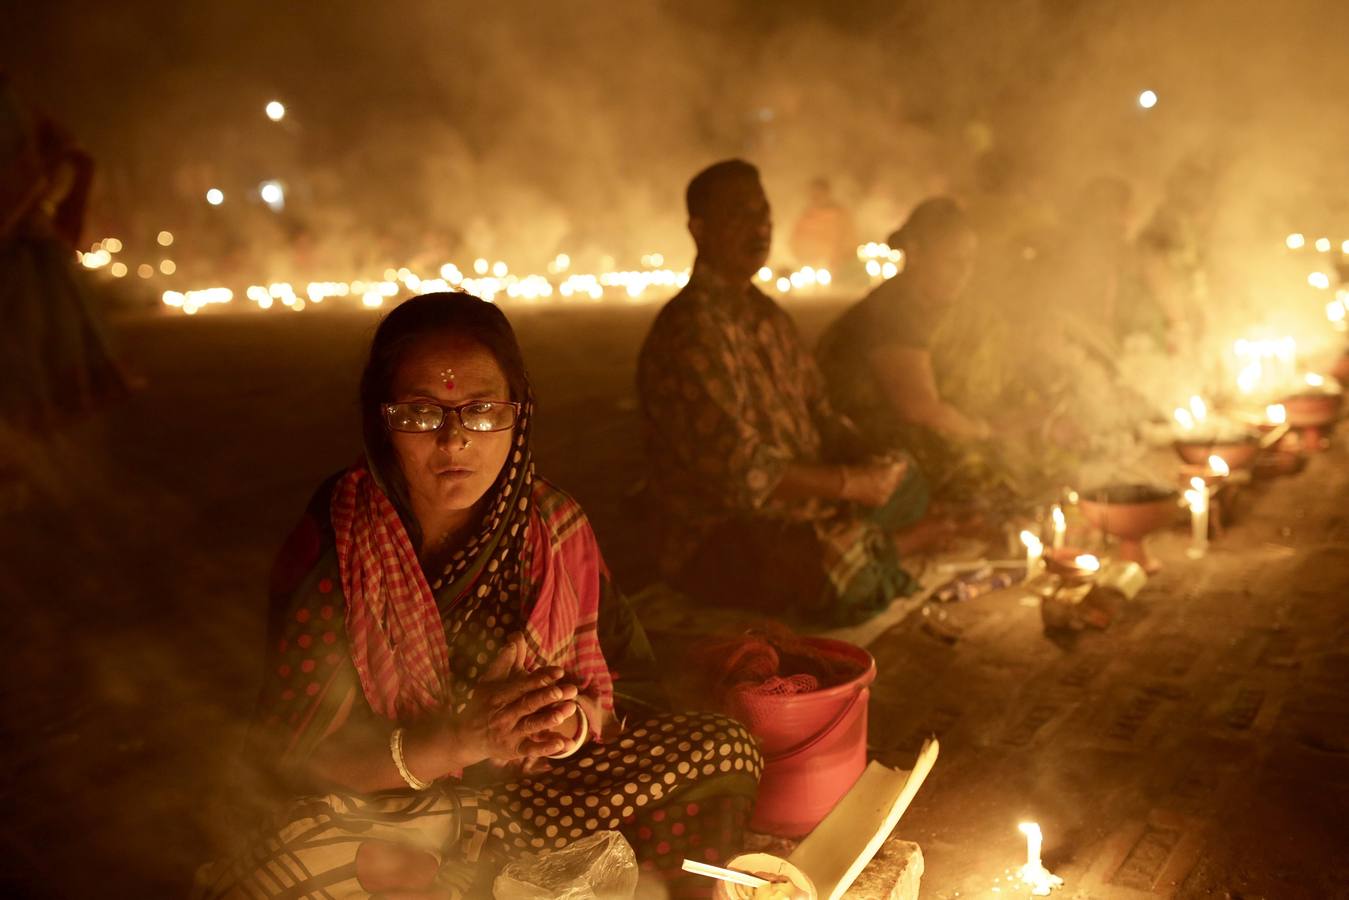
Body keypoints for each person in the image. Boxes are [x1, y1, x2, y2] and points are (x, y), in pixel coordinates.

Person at [196, 293, 761, 899]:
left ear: (519, 414)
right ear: (379, 421)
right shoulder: (337, 545)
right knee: (282, 870)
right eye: (419, 413)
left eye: (482, 410)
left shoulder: (553, 526)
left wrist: (563, 723)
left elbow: (624, 688)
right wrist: (462, 739)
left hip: (532, 799)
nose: (455, 439)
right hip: (391, 818)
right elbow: (295, 761)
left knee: (721, 749)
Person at [636, 159, 928, 627]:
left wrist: (868, 458)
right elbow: (741, 472)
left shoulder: (768, 315)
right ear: (699, 228)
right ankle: (882, 545)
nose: (759, 226)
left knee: (909, 478)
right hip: (720, 531)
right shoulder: (690, 330)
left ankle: (870, 542)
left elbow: (819, 410)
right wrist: (851, 484)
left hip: (806, 500)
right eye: (739, 213)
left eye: (763, 212)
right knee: (835, 571)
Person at [0, 75, 129, 433]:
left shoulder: (7, 103)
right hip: (21, 250)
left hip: (21, 261)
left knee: (26, 382)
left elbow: (52, 161)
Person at [789, 176, 858, 275]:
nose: (816, 197)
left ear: (827, 193)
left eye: (819, 194)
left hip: (838, 269)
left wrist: (840, 260)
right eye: (813, 194)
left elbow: (850, 241)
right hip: (810, 269)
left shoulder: (841, 215)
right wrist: (803, 259)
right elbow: (794, 241)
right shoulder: (805, 217)